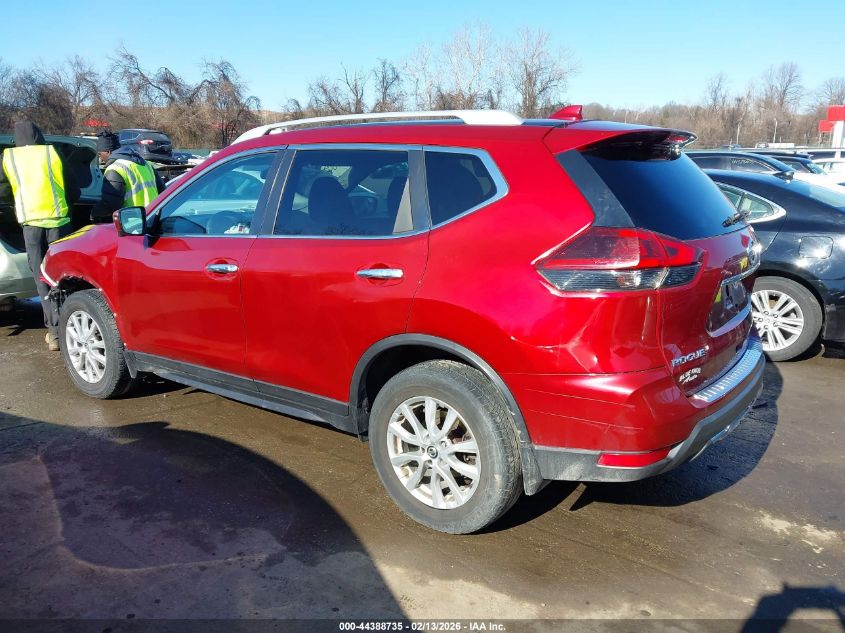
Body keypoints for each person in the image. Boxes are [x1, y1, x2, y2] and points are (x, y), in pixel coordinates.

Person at [0, 121, 80, 351]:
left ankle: (55, 335)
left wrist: (16, 205)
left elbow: (3, 192)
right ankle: (70, 328)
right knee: (62, 276)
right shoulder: (52, 153)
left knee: (41, 277)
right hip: (60, 223)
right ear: (39, 135)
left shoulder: (8, 158)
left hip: (32, 226)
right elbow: (74, 190)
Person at [90, 131, 165, 223]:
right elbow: (163, 192)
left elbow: (111, 204)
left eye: (100, 154)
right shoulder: (146, 164)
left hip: (132, 223)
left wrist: (94, 213)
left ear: (108, 152)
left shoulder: (114, 169)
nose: (100, 159)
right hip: (153, 219)